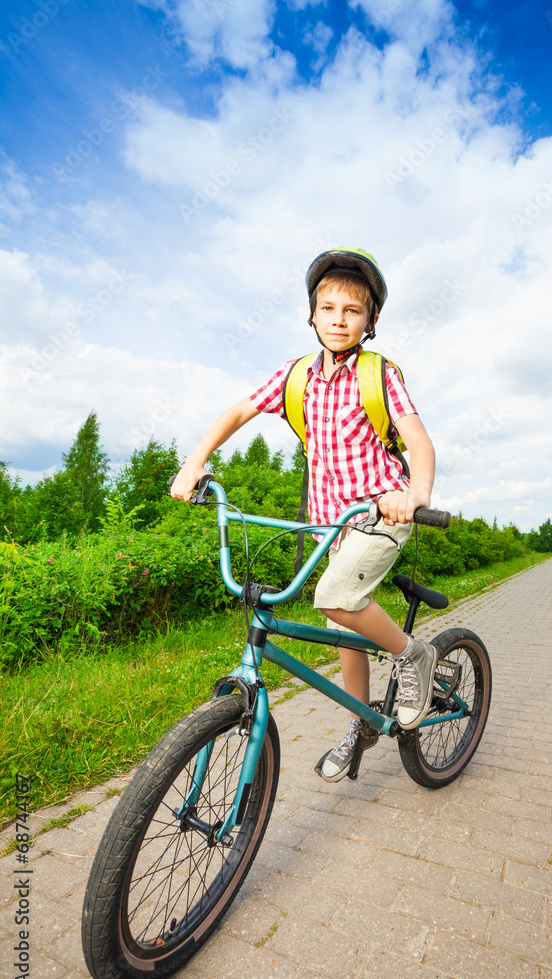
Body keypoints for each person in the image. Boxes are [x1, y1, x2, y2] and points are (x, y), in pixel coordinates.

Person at [170, 246, 437, 782]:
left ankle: (414, 657)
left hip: (381, 510)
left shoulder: (377, 374)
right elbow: (241, 409)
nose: (339, 320)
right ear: (312, 314)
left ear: (371, 320)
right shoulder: (297, 376)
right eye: (328, 308)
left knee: (335, 599)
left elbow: (418, 440)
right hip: (330, 522)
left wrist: (417, 490)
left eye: (352, 311)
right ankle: (362, 722)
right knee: (344, 618)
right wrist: (195, 462)